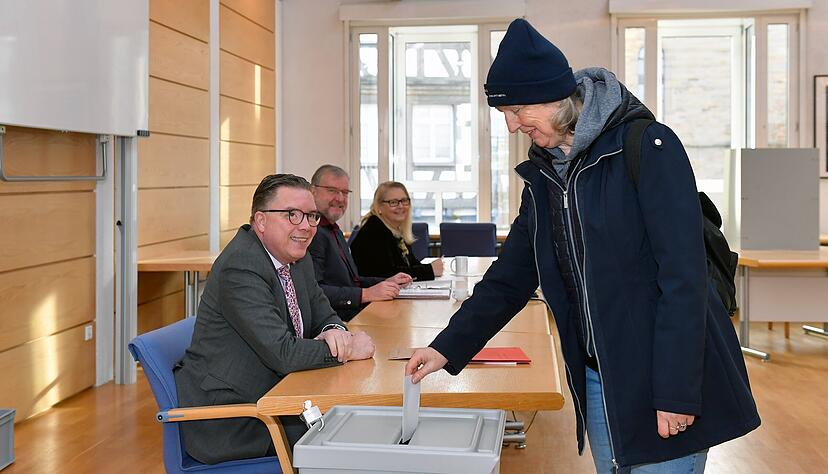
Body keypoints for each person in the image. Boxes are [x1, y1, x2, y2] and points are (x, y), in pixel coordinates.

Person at [405, 18, 759, 473]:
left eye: (517, 109)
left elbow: (684, 280)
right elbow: (510, 279)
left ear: (554, 97)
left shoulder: (646, 147)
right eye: (504, 114)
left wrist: (676, 391)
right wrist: (446, 347)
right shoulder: (545, 175)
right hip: (597, 374)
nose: (511, 126)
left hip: (663, 373)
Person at [174, 174, 375, 465]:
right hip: (236, 418)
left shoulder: (296, 257)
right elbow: (283, 353)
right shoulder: (241, 266)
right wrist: (348, 349)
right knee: (354, 443)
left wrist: (334, 331)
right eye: (292, 214)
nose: (305, 226)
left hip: (279, 395)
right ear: (261, 220)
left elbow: (324, 314)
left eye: (311, 216)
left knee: (364, 429)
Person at [308, 165, 413, 321]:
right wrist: (366, 294)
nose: (340, 198)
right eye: (332, 190)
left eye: (345, 192)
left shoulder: (333, 230)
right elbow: (314, 291)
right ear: (312, 191)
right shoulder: (310, 232)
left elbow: (353, 281)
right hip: (335, 323)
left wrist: (386, 282)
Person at [350, 181, 443, 281]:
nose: (401, 206)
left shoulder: (395, 230)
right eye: (393, 202)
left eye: (404, 201)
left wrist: (430, 268)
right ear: (379, 207)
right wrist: (430, 270)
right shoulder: (374, 230)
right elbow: (388, 273)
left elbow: (411, 264)